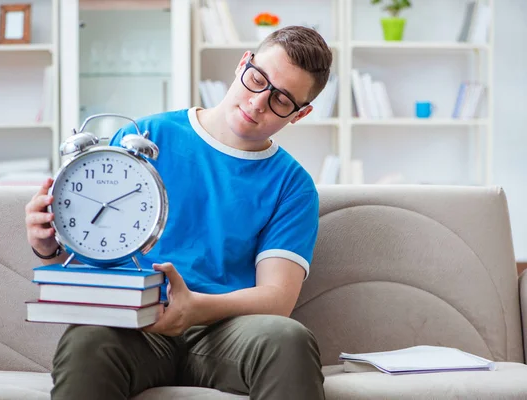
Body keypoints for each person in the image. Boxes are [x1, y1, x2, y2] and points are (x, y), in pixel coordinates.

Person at [25, 25, 333, 400]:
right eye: (257, 80)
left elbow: (276, 297)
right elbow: (94, 248)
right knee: (87, 339)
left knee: (288, 339)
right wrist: (48, 246)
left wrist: (195, 308)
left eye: (281, 100)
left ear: (300, 114)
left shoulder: (293, 185)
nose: (258, 103)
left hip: (226, 331)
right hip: (136, 324)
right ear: (242, 65)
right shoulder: (148, 134)